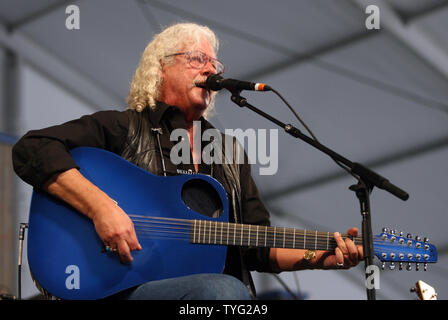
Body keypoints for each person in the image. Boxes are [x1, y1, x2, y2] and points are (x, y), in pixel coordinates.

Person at [12, 23, 363, 300]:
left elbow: (259, 247)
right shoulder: (122, 128)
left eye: (215, 63)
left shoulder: (228, 154)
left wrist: (321, 258)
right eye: (197, 59)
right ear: (160, 68)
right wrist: (102, 208)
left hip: (207, 294)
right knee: (225, 293)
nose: (210, 69)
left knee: (230, 294)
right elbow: (33, 148)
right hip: (118, 285)